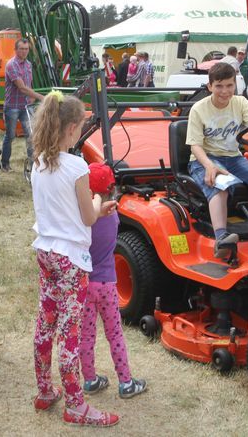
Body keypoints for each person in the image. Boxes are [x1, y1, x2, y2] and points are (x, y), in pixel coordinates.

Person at [30, 91, 119, 427]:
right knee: (69, 332)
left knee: (45, 324)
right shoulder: (77, 166)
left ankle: (45, 389)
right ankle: (76, 404)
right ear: (71, 128)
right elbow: (87, 217)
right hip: (71, 259)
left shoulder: (40, 160)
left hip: (46, 251)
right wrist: (99, 204)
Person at [186, 62, 248, 258]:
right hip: (205, 158)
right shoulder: (199, 109)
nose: (225, 91)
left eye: (229, 85)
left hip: (233, 158)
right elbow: (195, 145)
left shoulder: (241, 103)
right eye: (219, 86)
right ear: (210, 86)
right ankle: (222, 239)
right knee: (221, 184)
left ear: (234, 85)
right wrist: (210, 166)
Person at [79, 162, 148, 400]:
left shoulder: (82, 219)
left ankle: (89, 379)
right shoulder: (114, 217)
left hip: (85, 284)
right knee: (114, 333)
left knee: (86, 335)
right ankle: (126, 382)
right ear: (112, 189)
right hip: (107, 283)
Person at [1, 38, 43, 172]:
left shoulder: (28, 64)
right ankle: (5, 163)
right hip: (12, 106)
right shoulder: (11, 65)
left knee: (31, 135)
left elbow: (28, 84)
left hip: (25, 105)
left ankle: (33, 164)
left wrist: (31, 97)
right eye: (22, 49)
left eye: (26, 49)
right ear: (16, 50)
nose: (24, 52)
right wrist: (40, 97)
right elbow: (22, 87)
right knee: (10, 135)